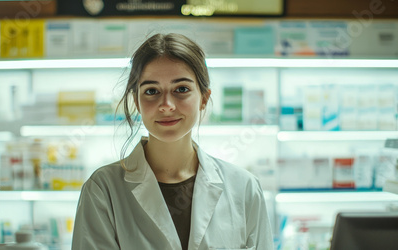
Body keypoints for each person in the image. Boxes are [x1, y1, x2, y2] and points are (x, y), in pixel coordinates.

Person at [72, 33, 274, 250]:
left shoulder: (244, 188)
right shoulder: (103, 189)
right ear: (138, 103)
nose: (166, 104)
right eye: (151, 91)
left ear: (204, 98)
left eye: (181, 89)